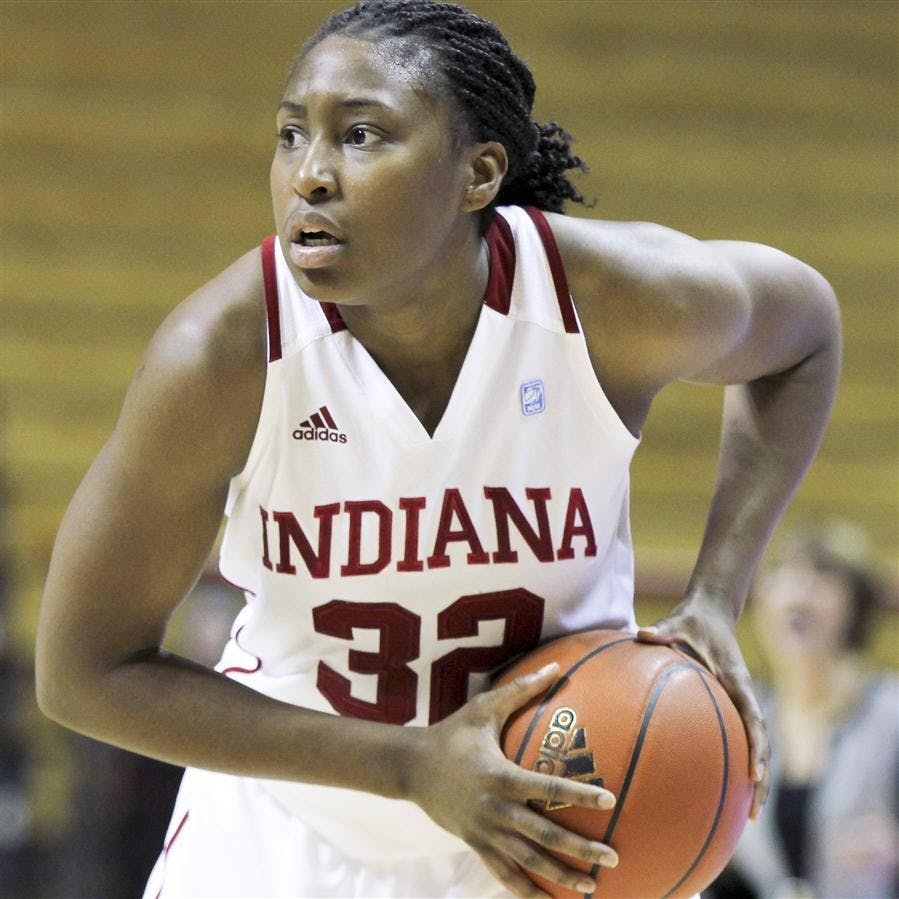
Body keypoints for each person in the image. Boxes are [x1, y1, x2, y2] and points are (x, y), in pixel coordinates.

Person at [34, 1, 842, 896]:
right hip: (286, 833)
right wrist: (410, 764)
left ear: (478, 173)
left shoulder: (604, 303)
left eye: (362, 135)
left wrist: (717, 601)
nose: (309, 174)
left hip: (543, 834)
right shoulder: (224, 355)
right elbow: (83, 672)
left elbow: (803, 329)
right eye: (292, 135)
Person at [709, 524, 897, 899]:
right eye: (783, 578)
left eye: (820, 578)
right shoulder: (741, 717)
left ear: (856, 606)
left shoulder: (891, 712)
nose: (797, 597)